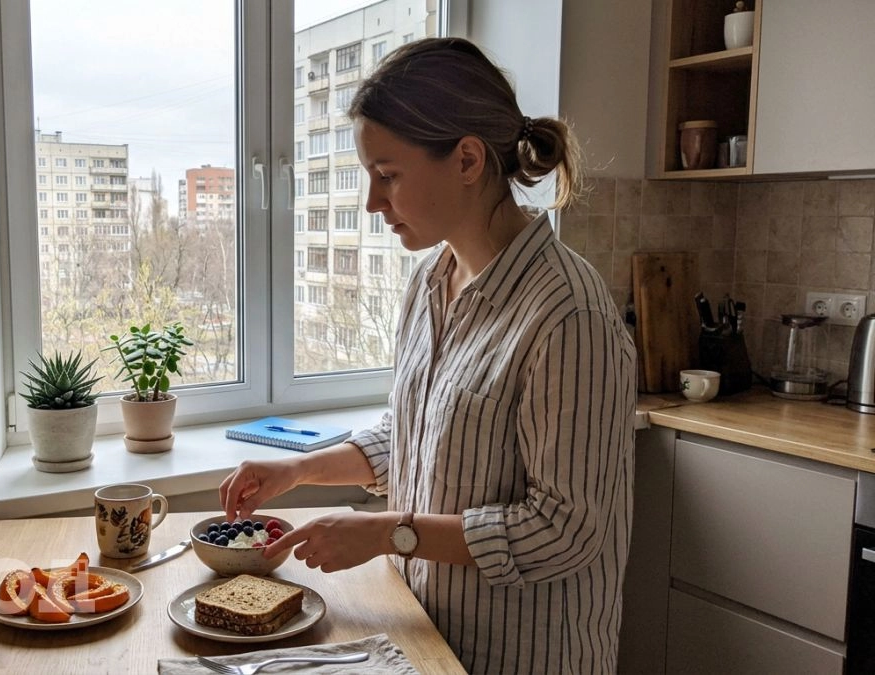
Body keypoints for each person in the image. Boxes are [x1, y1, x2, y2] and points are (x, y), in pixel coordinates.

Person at [219, 37, 636, 674]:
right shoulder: (432, 281)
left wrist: (390, 531)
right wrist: (297, 472)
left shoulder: (567, 315)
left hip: (520, 657)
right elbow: (413, 435)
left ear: (467, 159)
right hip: (425, 638)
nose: (371, 203)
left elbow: (564, 531)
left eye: (388, 175)